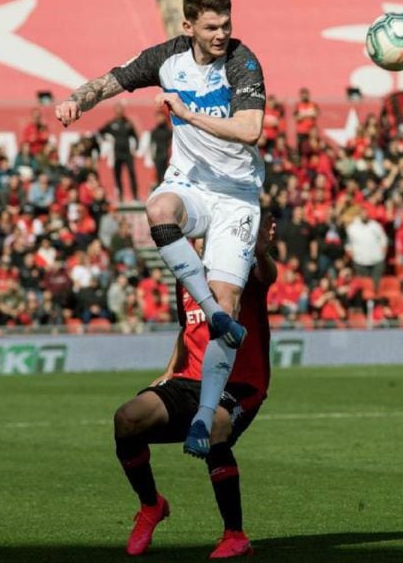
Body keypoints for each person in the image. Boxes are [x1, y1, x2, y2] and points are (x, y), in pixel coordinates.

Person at [56, 0, 266, 458]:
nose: (222, 34)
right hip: (190, 185)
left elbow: (250, 129)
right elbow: (113, 80)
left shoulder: (243, 62)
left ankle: (202, 418)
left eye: (226, 25)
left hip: (235, 196)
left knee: (230, 308)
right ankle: (209, 309)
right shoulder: (166, 58)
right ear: (188, 27)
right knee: (158, 209)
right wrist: (77, 101)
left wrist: (187, 113)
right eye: (211, 27)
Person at [112, 214, 276, 558]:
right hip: (190, 379)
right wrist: (171, 369)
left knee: (216, 423)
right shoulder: (186, 275)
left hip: (241, 383)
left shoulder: (240, 268)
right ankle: (151, 505)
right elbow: (187, 327)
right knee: (127, 418)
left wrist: (260, 252)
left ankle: (235, 535)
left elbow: (267, 276)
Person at [99, 103, 140, 202]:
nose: (119, 112)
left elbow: (135, 136)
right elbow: (100, 132)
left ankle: (135, 196)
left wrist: (136, 149)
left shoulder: (128, 123)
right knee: (117, 175)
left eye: (120, 110)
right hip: (117, 153)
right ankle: (120, 196)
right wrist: (106, 139)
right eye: (117, 110)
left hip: (127, 153)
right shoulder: (111, 124)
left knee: (131, 173)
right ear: (115, 111)